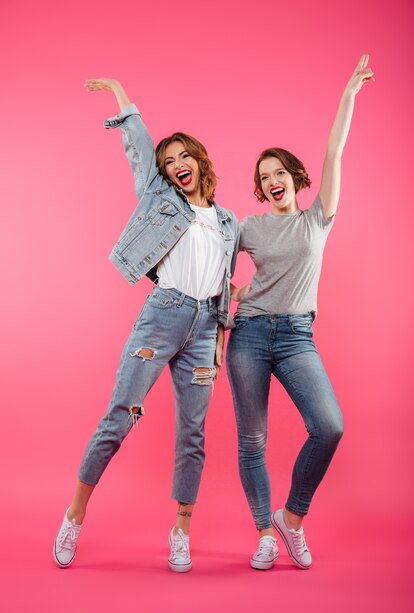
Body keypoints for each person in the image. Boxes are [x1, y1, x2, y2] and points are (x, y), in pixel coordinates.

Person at [53, 79, 239, 573]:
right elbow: (138, 147)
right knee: (121, 414)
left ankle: (180, 530)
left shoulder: (227, 221)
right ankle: (75, 513)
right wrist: (119, 92)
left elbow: (224, 285)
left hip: (204, 330)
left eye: (184, 156)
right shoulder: (161, 198)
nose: (178, 164)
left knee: (193, 432)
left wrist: (219, 344)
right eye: (169, 160)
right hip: (164, 316)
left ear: (200, 160)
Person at [226, 55, 374, 570]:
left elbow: (334, 152)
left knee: (328, 426)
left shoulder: (317, 220)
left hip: (295, 337)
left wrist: (348, 96)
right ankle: (264, 532)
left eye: (278, 172)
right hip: (246, 336)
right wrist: (235, 296)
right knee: (252, 441)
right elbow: (213, 265)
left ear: (294, 176)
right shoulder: (249, 227)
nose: (271, 181)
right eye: (263, 177)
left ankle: (292, 519)